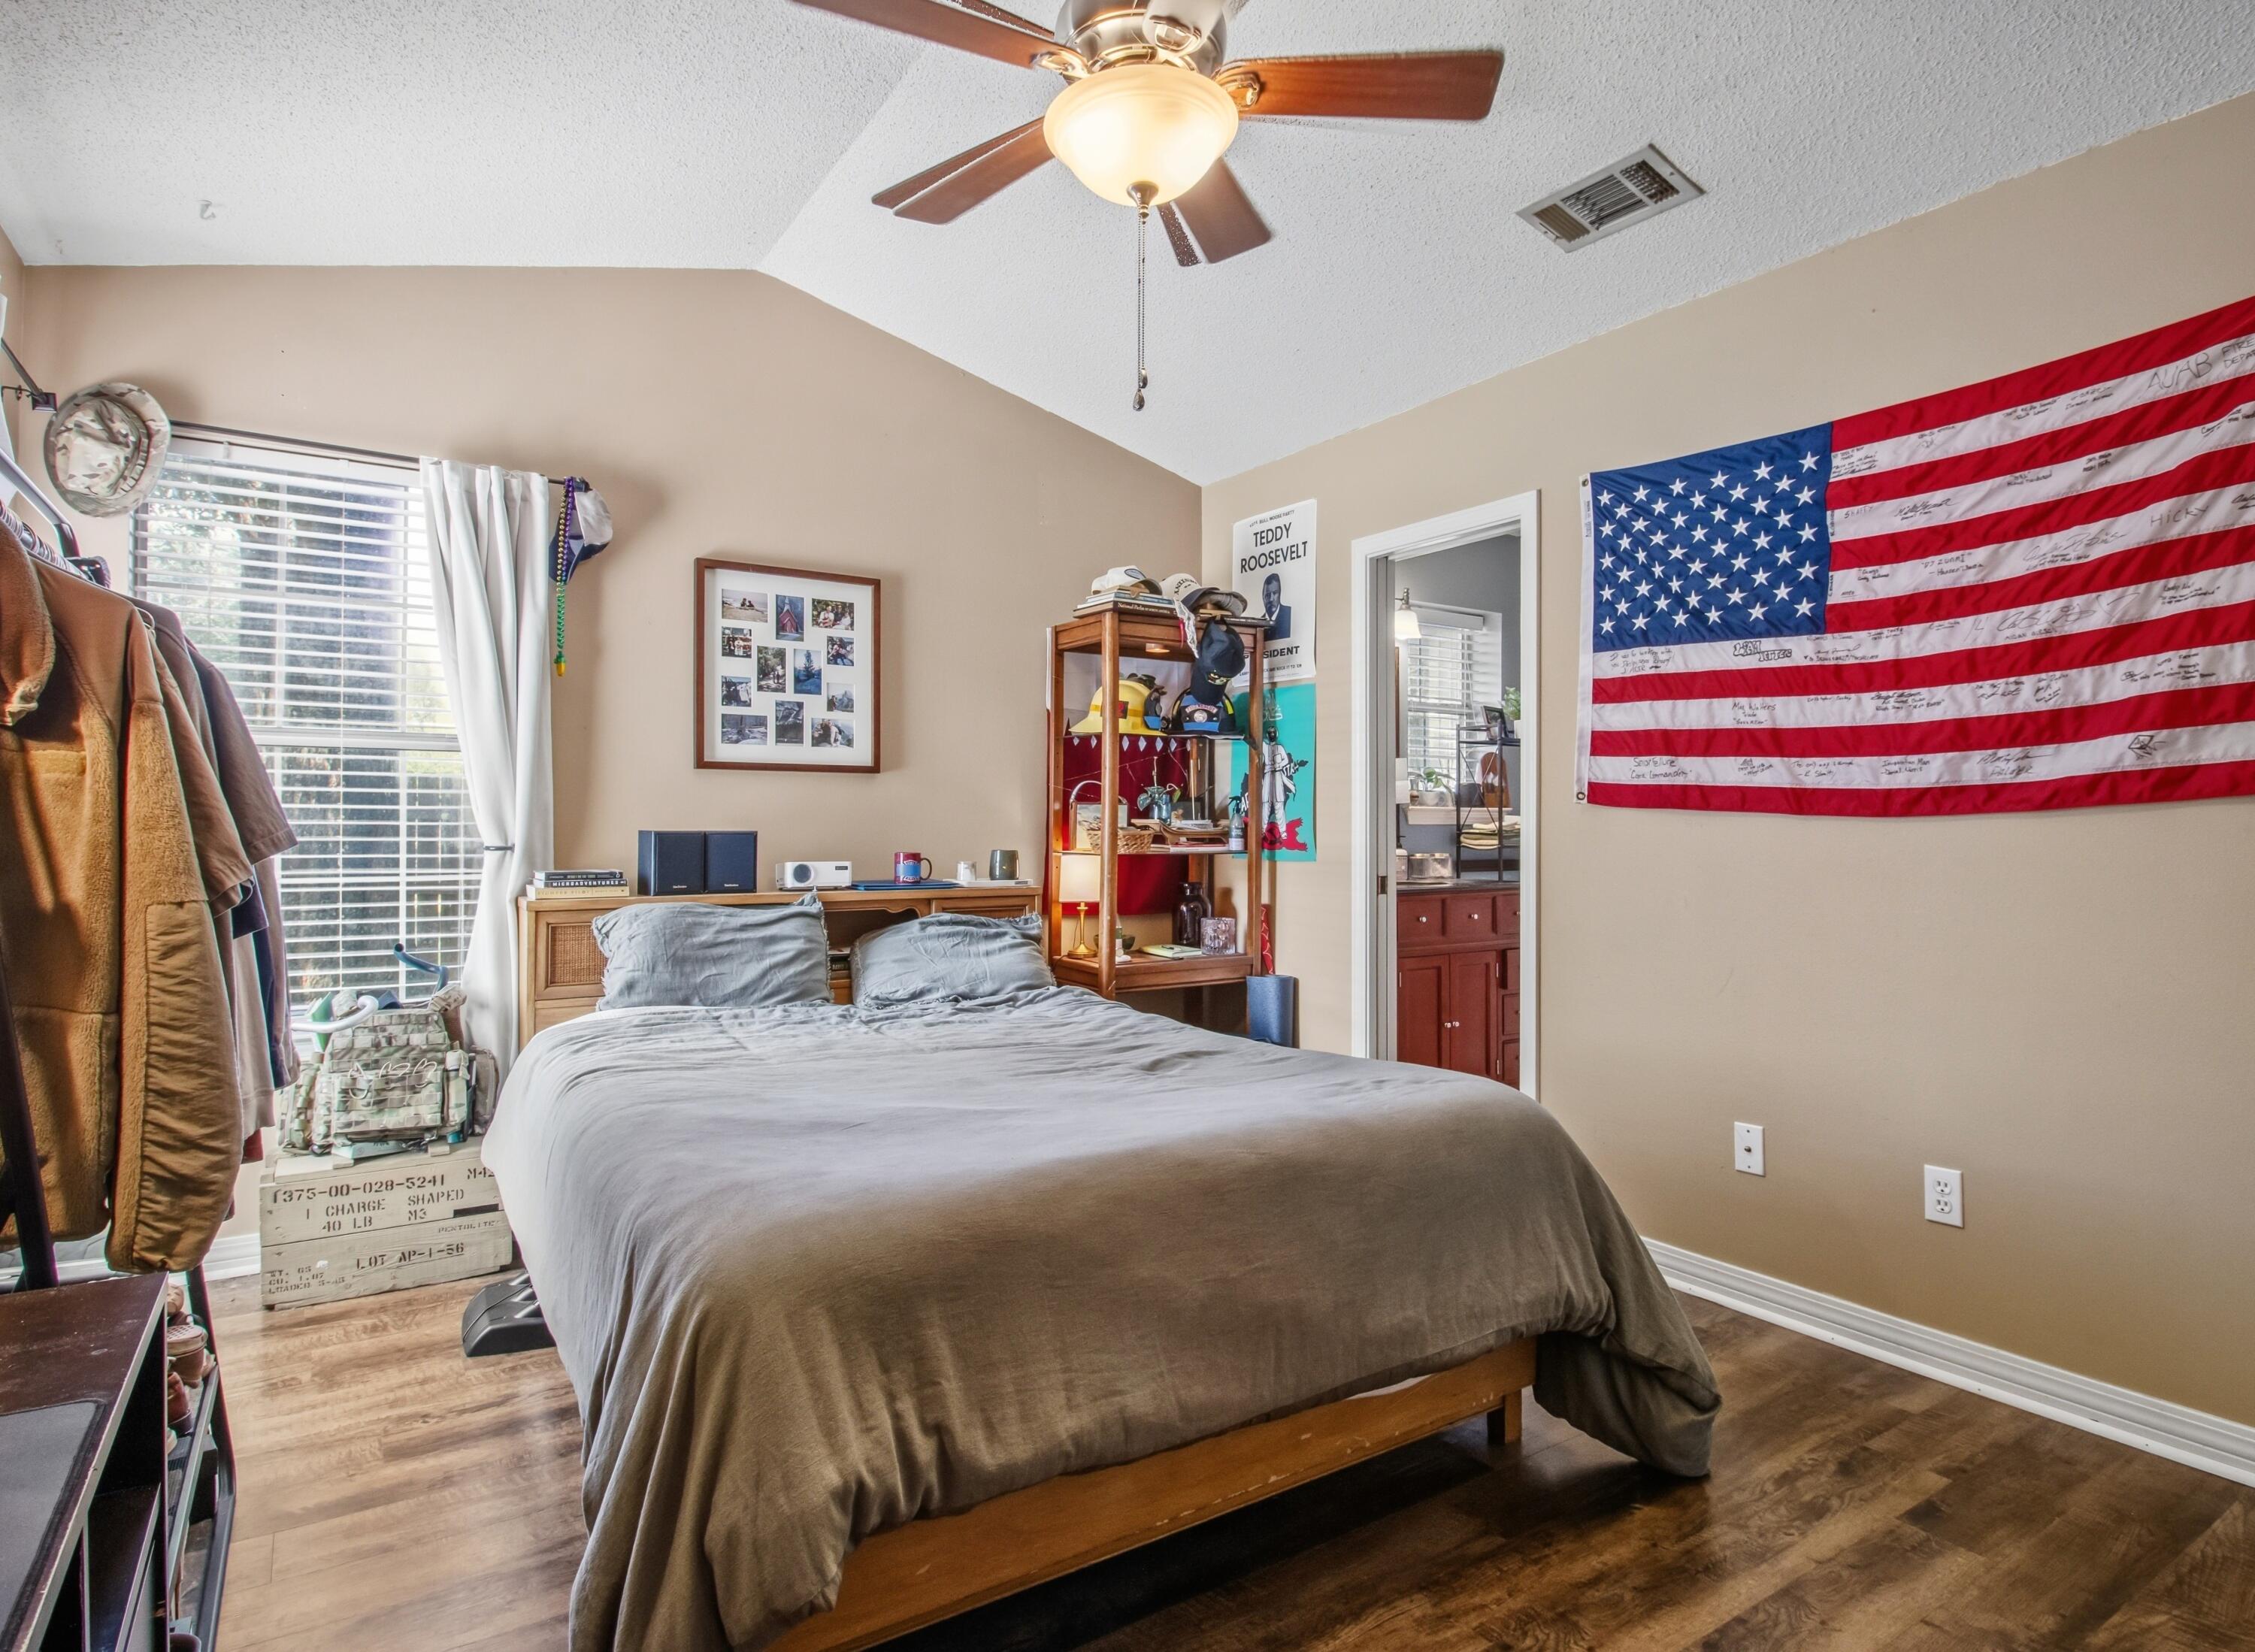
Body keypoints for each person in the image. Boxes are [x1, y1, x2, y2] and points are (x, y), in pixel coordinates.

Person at [1261, 571, 1292, 641]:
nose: (1271, 599)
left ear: (1280, 594)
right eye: (1267, 595)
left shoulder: (1290, 615)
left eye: (1275, 593)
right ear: (1263, 598)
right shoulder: (1258, 625)